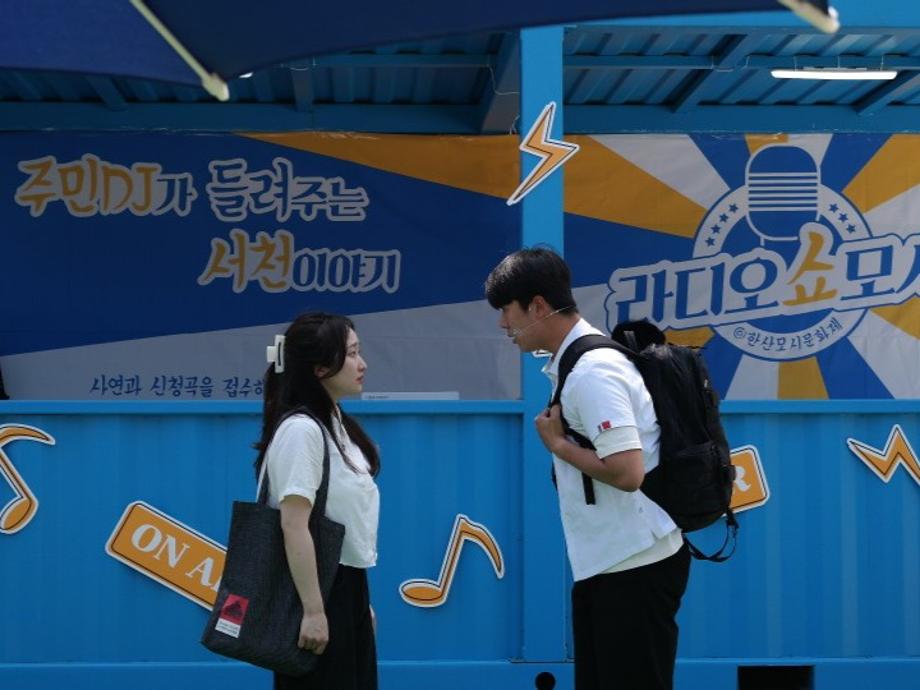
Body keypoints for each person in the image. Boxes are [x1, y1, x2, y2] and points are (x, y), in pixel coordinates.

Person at [485, 248, 690, 690]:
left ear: (538, 306)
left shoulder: (593, 372)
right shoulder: (577, 363)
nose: (503, 324)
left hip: (635, 561)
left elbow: (628, 472)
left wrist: (557, 445)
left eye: (506, 309)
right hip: (614, 559)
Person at [254, 312, 381, 690]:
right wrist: (313, 610)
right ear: (321, 368)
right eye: (352, 354)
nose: (363, 364)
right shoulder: (301, 430)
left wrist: (358, 603)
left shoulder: (333, 424)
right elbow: (293, 524)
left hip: (343, 585)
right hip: (317, 592)